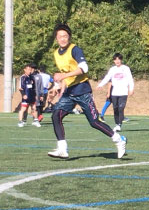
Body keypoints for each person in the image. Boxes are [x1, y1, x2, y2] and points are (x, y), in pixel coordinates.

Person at [47, 24, 127, 159]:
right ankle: (62, 149)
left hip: (82, 90)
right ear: (56, 38)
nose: (63, 39)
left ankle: (119, 139)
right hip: (69, 92)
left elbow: (84, 68)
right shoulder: (56, 53)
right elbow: (64, 74)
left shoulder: (75, 50)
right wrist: (57, 87)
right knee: (56, 115)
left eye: (65, 36)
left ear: (69, 37)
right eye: (60, 36)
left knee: (94, 122)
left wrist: (63, 77)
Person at [97, 53, 135, 132]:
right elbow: (107, 77)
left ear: (121, 60)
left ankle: (119, 125)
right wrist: (100, 85)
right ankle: (117, 123)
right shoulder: (112, 69)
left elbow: (130, 79)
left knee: (121, 108)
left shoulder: (126, 68)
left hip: (123, 92)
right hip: (114, 93)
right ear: (114, 61)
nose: (117, 61)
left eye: (118, 59)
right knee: (115, 109)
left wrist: (131, 89)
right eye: (115, 59)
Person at [17, 63, 41, 127]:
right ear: (25, 70)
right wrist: (23, 94)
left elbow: (33, 88)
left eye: (30, 70)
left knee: (34, 108)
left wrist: (35, 95)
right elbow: (20, 88)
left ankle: (35, 121)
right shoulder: (23, 77)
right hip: (26, 96)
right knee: (23, 109)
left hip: (32, 96)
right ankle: (20, 122)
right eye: (28, 69)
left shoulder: (32, 77)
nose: (30, 71)